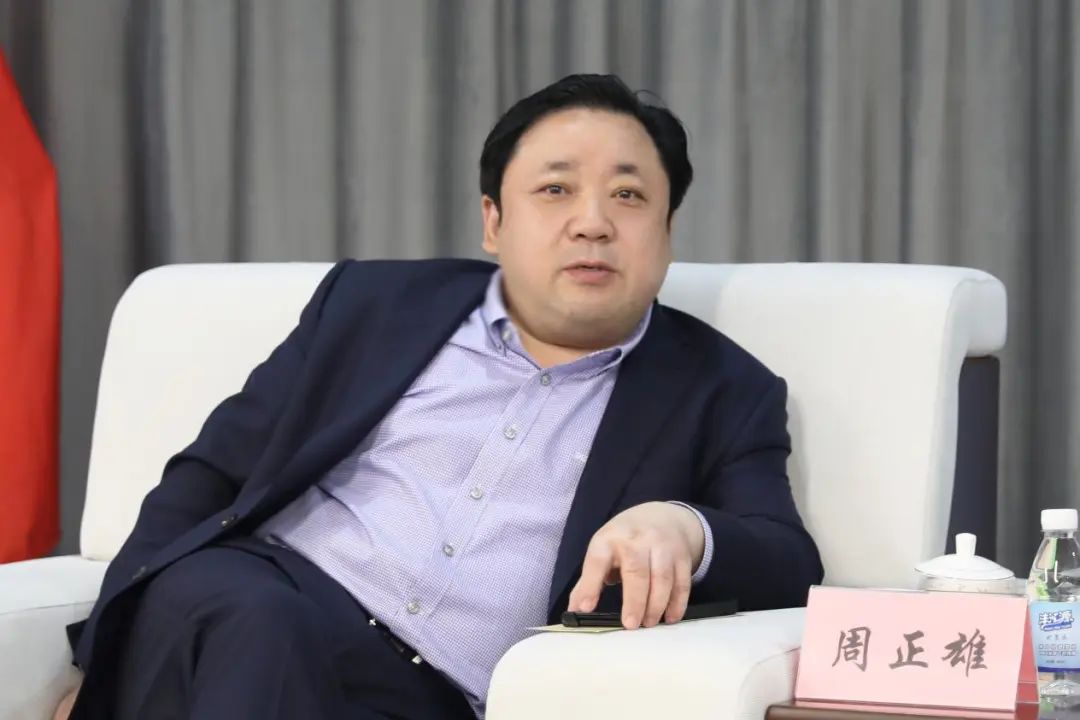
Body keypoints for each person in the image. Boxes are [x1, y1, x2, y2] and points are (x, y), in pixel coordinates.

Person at [59, 73, 822, 720]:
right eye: (555, 190)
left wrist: (686, 528)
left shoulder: (723, 388)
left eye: (628, 195)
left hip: (436, 696)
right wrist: (102, 664)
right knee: (259, 625)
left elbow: (789, 561)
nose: (592, 223)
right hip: (260, 599)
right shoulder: (374, 304)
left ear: (667, 230)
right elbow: (210, 475)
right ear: (494, 221)